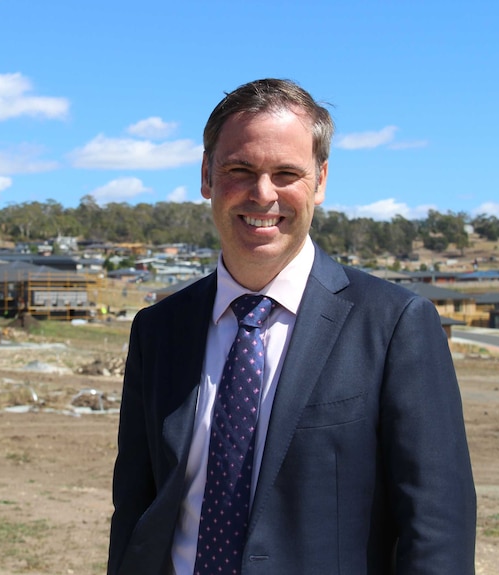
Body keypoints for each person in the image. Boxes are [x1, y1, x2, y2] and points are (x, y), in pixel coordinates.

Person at [108, 78, 476, 575]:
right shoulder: (158, 330)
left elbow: (437, 528)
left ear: (320, 181)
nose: (263, 194)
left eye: (286, 173)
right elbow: (135, 509)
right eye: (240, 169)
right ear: (206, 176)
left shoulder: (393, 326)